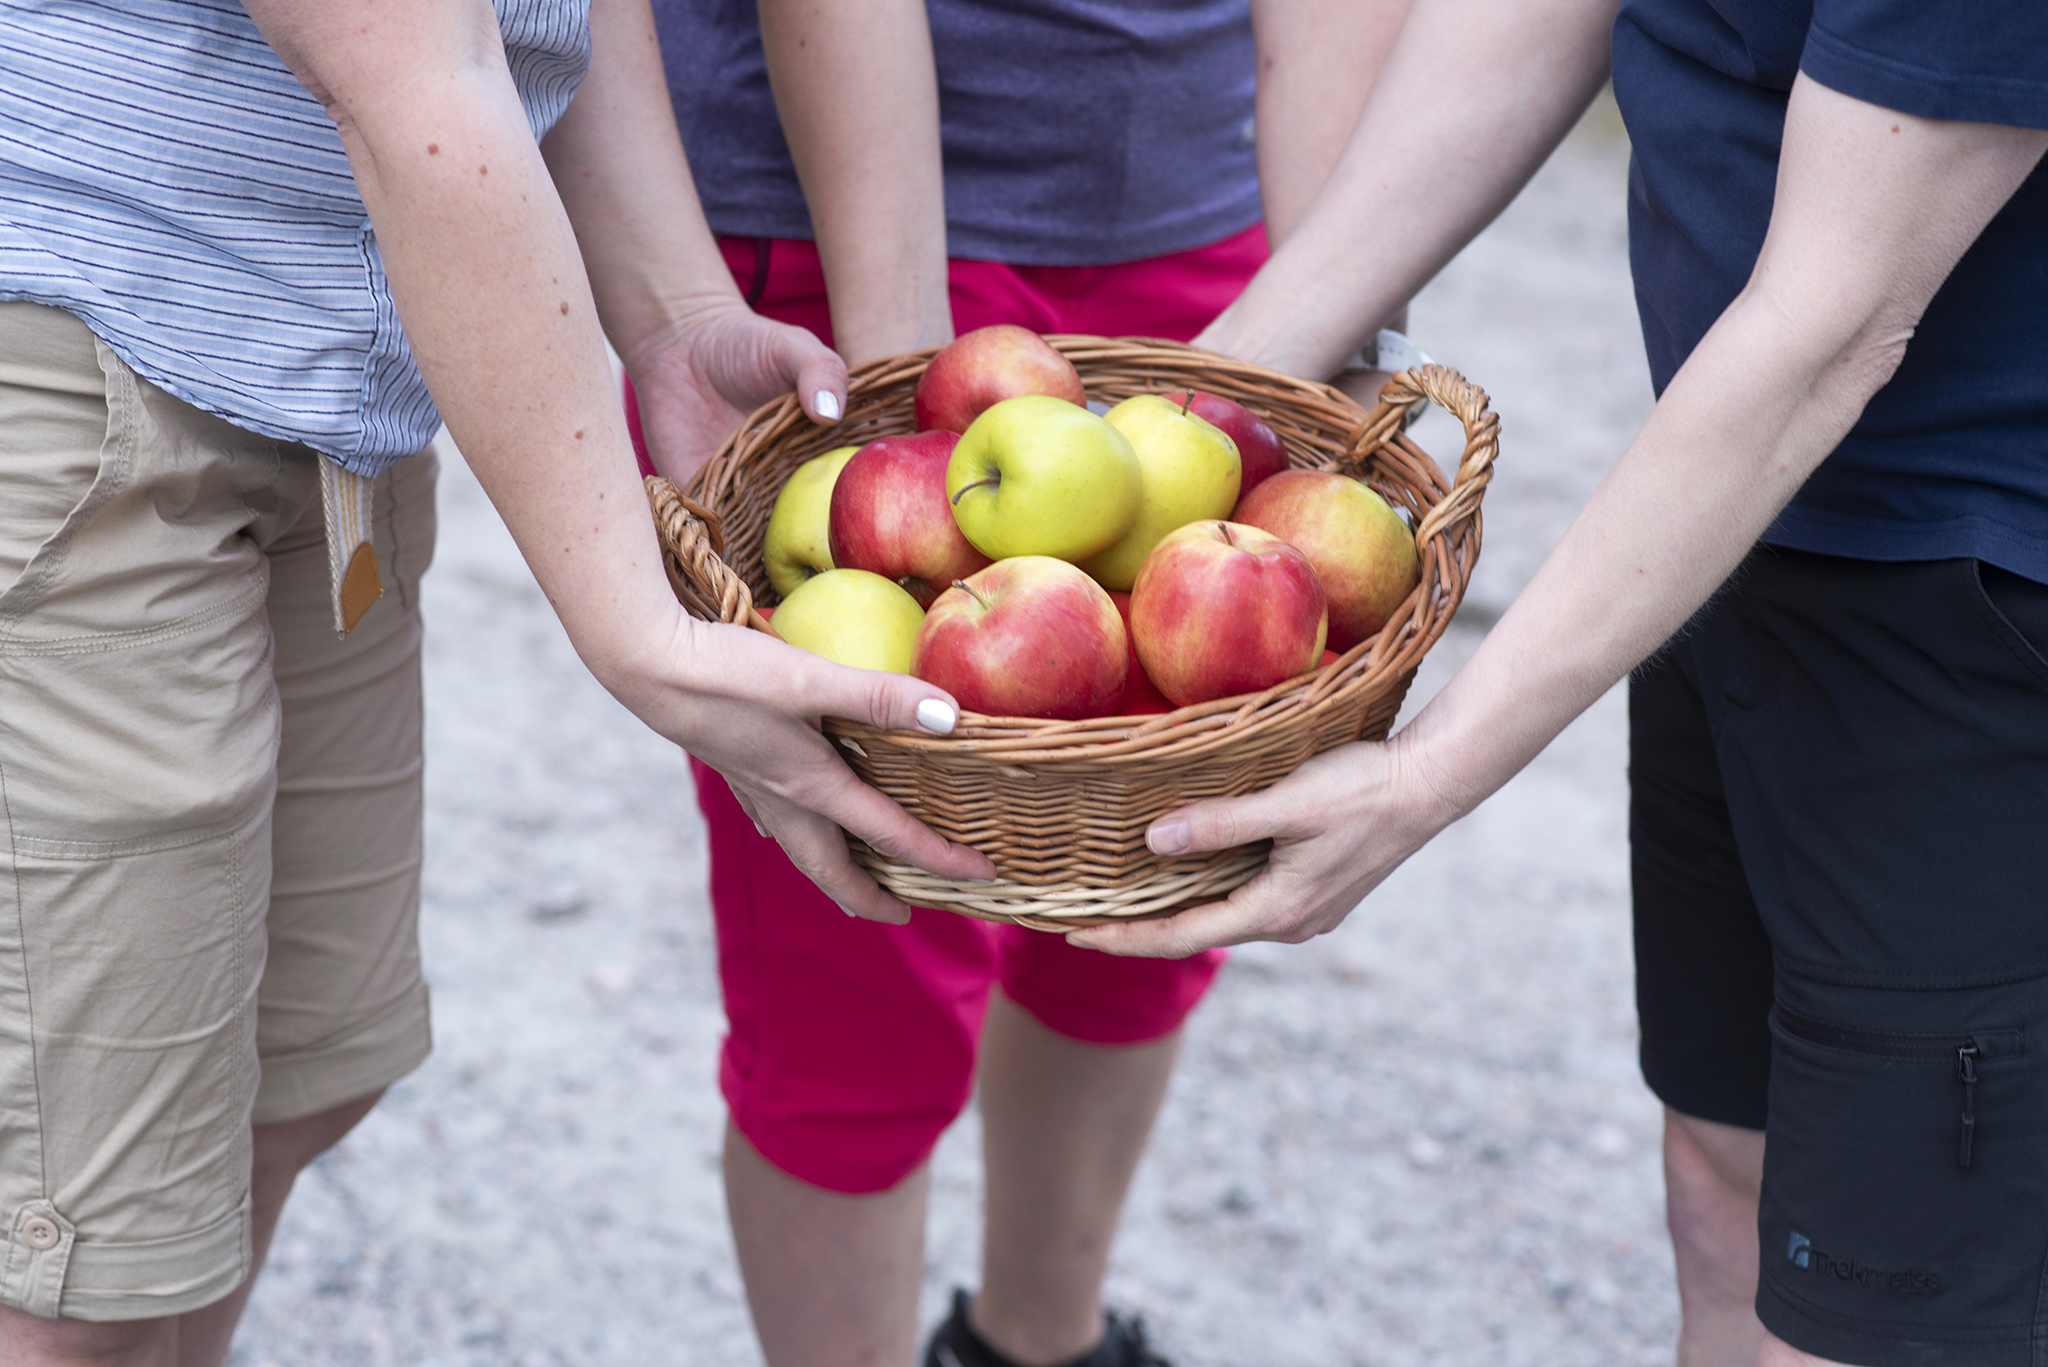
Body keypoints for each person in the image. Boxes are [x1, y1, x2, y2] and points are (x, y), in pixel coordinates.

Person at [0, 1, 996, 1362]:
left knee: (291, 1089)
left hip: (321, 390)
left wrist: (672, 315)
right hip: (76, 353)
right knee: (85, 1253)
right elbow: (414, 69)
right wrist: (630, 620)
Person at [1068, 0, 2048, 1364]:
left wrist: (1427, 775)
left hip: (1976, 606)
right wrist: (1195, 411)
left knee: (1881, 1319)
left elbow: (1837, 324)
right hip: (1721, 521)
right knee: (1724, 1185)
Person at [627, 1, 1410, 1364]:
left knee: (1159, 870)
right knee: (857, 947)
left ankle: (1035, 1344)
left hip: (1201, 229)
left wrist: (1341, 294)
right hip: (842, 237)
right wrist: (907, 414)